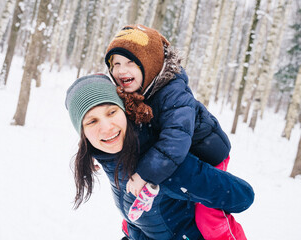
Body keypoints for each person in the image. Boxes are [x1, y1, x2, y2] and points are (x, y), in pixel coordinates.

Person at [65, 74, 254, 240]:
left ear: (124, 111)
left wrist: (172, 175)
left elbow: (242, 196)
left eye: (111, 112)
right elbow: (143, 220)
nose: (107, 127)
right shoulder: (109, 157)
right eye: (92, 121)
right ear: (83, 134)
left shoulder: (156, 161)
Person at [105, 24, 247, 239]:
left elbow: (175, 140)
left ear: (150, 64)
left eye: (130, 62)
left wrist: (145, 173)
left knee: (207, 216)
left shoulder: (174, 93)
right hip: (174, 157)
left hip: (207, 154)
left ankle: (226, 235)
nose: (121, 70)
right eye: (115, 64)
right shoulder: (132, 92)